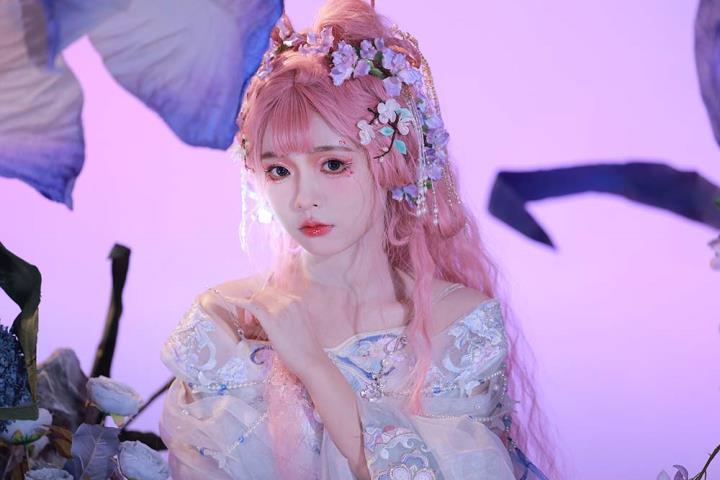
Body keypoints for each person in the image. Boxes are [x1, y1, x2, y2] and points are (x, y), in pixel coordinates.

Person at [159, 1, 558, 478]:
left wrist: (313, 366)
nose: (304, 198)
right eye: (279, 171)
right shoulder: (228, 322)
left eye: (333, 164)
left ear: (390, 162)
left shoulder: (460, 326)